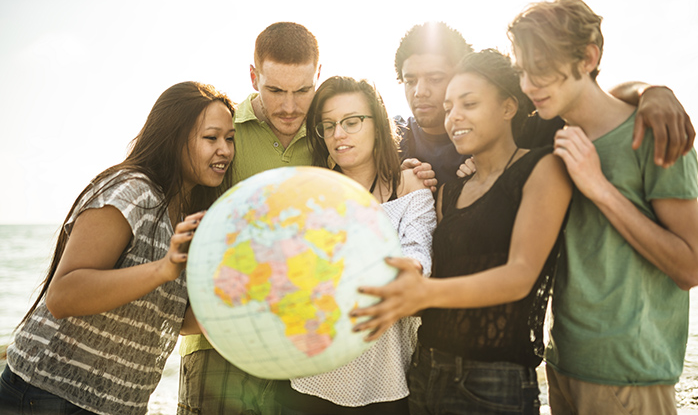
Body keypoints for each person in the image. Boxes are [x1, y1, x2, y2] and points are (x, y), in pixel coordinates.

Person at [352, 49, 572, 414]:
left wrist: (424, 292)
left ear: (508, 106)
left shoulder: (542, 168)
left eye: (469, 104)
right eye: (450, 106)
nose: (454, 117)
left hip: (494, 383)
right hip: (425, 370)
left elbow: (520, 275)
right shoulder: (449, 191)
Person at [509, 0, 698, 415]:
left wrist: (599, 188)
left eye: (539, 68)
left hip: (628, 375)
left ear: (588, 58)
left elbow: (692, 267)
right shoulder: (553, 135)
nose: (527, 85)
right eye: (521, 70)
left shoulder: (655, 133)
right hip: (563, 365)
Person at [0, 81, 236, 415]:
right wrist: (164, 268)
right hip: (48, 395)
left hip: (118, 406)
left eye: (230, 138)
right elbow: (63, 295)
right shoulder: (132, 191)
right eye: (211, 138)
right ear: (173, 139)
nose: (225, 150)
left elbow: (175, 318)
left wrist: (246, 295)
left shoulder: (189, 214)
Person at [177, 22, 322, 415]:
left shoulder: (331, 134)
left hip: (300, 349)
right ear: (254, 76)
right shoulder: (222, 133)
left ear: (318, 76)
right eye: (275, 90)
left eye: (302, 90)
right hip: (218, 344)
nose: (290, 107)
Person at [276, 76, 436, 414]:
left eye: (351, 122)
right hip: (309, 380)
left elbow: (418, 256)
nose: (338, 134)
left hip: (387, 380)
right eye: (329, 125)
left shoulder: (410, 189)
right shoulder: (310, 197)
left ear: (377, 125)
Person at [394, 22, 696, 186]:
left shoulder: (518, 129)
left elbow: (585, 101)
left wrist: (651, 92)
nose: (420, 91)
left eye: (435, 78)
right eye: (410, 81)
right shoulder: (392, 141)